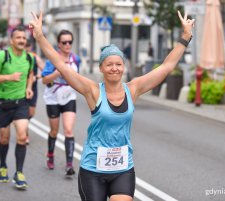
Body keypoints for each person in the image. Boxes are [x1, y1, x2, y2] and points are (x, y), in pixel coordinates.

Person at [30, 10, 194, 201]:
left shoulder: (133, 89)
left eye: (118, 64)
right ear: (101, 68)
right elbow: (61, 65)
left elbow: (166, 67)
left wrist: (185, 37)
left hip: (123, 168)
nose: (114, 68)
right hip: (93, 169)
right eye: (109, 64)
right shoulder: (92, 91)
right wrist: (40, 36)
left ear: (123, 67)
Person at [0, 26, 34, 190]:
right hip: (2, 103)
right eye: (18, 38)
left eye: (24, 38)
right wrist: (9, 77)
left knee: (22, 137)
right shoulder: (3, 56)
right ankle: (3, 166)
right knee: (4, 138)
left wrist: (29, 87)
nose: (22, 40)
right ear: (12, 40)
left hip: (20, 102)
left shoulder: (29, 57)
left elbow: (31, 75)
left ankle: (19, 172)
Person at [41, 29, 81, 176]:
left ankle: (69, 164)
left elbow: (78, 78)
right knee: (54, 131)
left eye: (70, 42)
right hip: (53, 98)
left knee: (69, 130)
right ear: (59, 44)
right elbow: (44, 80)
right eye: (64, 42)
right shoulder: (52, 60)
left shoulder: (76, 59)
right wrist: (58, 72)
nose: (67, 45)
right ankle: (50, 154)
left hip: (69, 97)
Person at [24, 40, 44, 144]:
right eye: (25, 46)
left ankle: (22, 123)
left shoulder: (35, 57)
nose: (26, 48)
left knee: (31, 113)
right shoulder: (19, 58)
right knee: (24, 113)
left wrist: (37, 76)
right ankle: (25, 133)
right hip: (21, 88)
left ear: (30, 46)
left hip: (33, 88)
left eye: (28, 46)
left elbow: (45, 71)